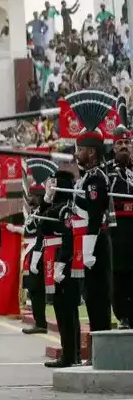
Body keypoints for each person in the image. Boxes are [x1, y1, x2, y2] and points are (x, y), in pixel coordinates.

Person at [71, 127, 113, 332]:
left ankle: (103, 343)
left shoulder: (96, 179)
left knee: (98, 295)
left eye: (81, 150)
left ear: (92, 152)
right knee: (91, 295)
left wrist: (88, 249)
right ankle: (98, 342)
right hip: (90, 240)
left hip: (96, 242)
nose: (77, 154)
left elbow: (95, 214)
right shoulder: (87, 178)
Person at [44, 169, 83, 367]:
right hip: (62, 262)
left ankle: (70, 356)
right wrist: (47, 199)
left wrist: (61, 264)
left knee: (65, 311)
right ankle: (72, 354)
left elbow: (67, 237)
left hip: (64, 263)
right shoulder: (60, 206)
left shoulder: (66, 208)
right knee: (67, 311)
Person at [107, 132, 133, 328]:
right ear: (113, 147)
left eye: (127, 142)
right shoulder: (106, 171)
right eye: (119, 143)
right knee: (119, 276)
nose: (124, 146)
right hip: (116, 232)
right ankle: (122, 315)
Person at [20, 184, 49, 334]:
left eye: (31, 195)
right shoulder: (35, 211)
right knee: (34, 288)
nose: (29, 198)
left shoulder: (43, 211)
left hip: (40, 251)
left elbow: (35, 232)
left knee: (37, 288)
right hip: (33, 251)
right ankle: (40, 322)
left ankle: (41, 323)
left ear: (38, 196)